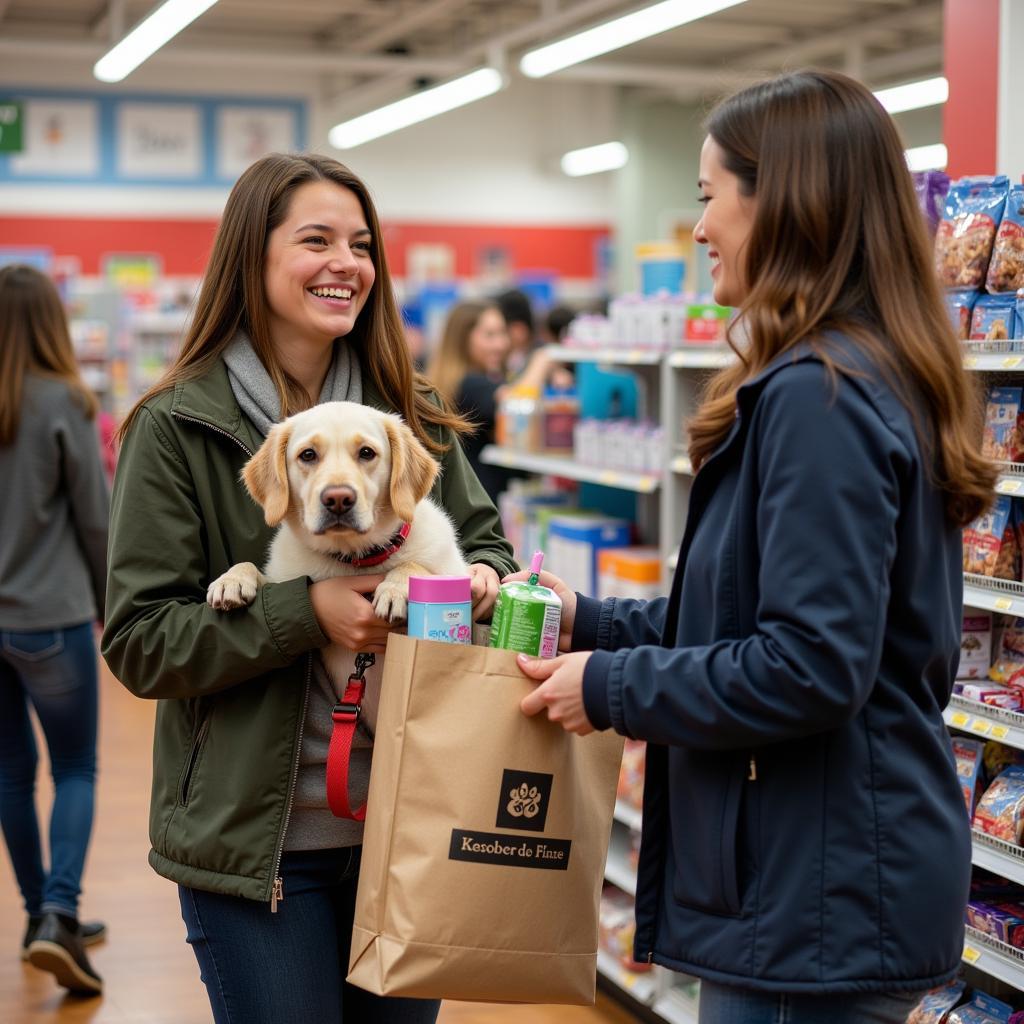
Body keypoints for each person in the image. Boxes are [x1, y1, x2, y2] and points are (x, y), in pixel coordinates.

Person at [510, 70, 995, 1024]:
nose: (697, 229)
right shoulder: (847, 376)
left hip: (815, 900)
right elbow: (747, 616)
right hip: (818, 882)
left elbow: (809, 667)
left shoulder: (823, 399)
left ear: (787, 202)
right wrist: (590, 621)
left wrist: (606, 689)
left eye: (708, 196)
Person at [101, 154, 517, 1024]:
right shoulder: (176, 427)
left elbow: (490, 553)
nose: (346, 263)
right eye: (316, 240)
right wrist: (306, 611)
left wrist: (482, 585)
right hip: (260, 847)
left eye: (361, 244)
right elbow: (141, 641)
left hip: (409, 830)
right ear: (252, 257)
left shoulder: (410, 409)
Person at [0, 264, 109, 995]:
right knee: (74, 768)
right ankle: (61, 913)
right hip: (53, 618)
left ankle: (40, 911)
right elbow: (97, 519)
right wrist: (118, 607)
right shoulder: (65, 400)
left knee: (11, 774)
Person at [427, 299, 555, 497]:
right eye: (490, 335)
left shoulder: (460, 381)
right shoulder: (469, 383)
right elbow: (515, 404)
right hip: (482, 501)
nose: (501, 344)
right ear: (463, 339)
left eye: (503, 333)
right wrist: (543, 359)